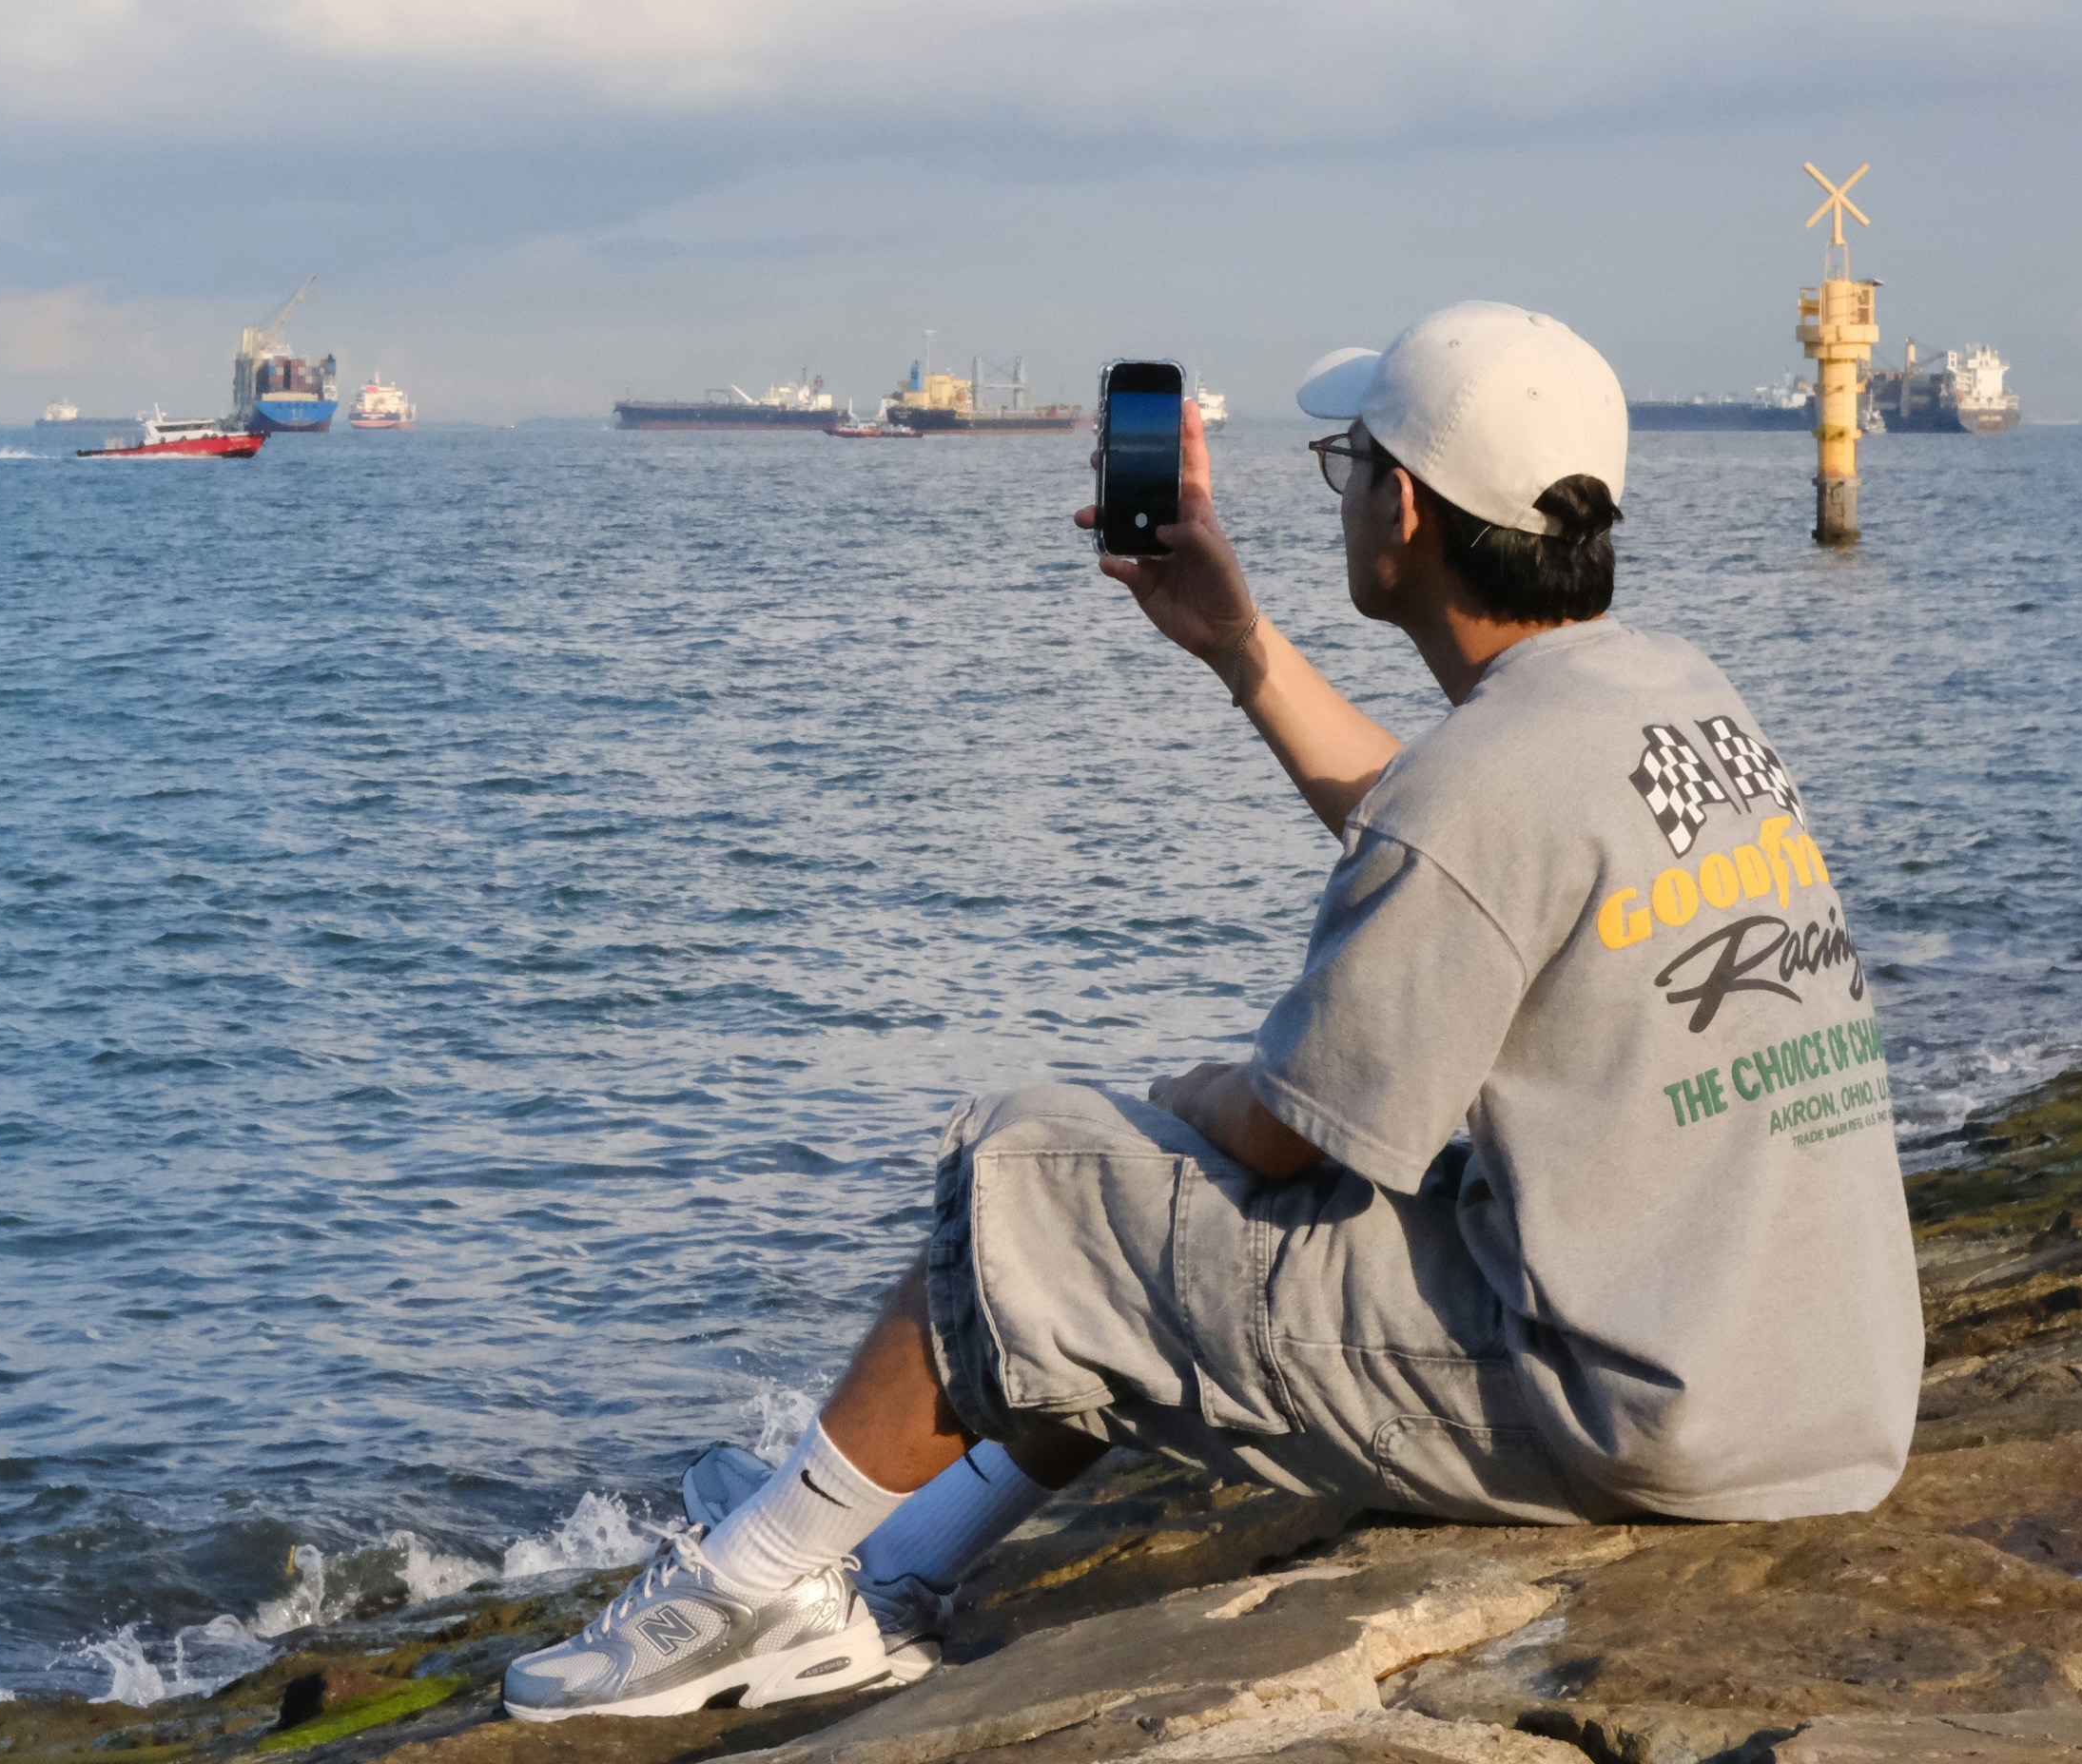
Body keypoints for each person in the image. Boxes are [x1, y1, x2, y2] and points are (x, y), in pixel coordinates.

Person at [502, 302, 1916, 1724]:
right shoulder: (1672, 696)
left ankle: (747, 1593)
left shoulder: (1485, 789)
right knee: (1151, 1209)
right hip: (1816, 1399)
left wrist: (1179, 1104)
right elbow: (1449, 841)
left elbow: (1299, 1123)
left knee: (1038, 1178)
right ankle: (906, 1562)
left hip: (1628, 1420)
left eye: (1347, 462)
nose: (1345, 488)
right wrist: (1239, 647)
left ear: (1404, 508)